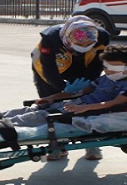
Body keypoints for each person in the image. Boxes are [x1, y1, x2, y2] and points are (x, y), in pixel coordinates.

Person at [0, 45, 127, 152]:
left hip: (82, 113)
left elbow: (115, 104)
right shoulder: (104, 78)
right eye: (106, 66)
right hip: (70, 106)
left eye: (113, 67)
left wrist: (85, 109)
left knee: (25, 120)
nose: (108, 70)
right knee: (23, 111)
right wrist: (52, 97)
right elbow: (78, 93)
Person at [31, 15, 111, 159]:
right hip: (49, 67)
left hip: (81, 66)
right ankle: (57, 146)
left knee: (86, 102)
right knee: (52, 105)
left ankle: (91, 143)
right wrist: (61, 87)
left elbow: (97, 64)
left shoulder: (102, 37)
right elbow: (46, 68)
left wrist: (88, 82)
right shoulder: (50, 38)